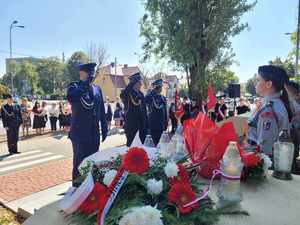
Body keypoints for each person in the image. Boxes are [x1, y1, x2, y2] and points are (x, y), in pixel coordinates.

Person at [67, 62, 107, 187]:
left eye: (92, 73)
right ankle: (76, 189)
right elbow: (71, 97)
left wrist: (104, 126)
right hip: (79, 133)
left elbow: (100, 109)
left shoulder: (97, 89)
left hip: (94, 133)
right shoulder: (74, 86)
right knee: (79, 163)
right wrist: (84, 85)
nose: (91, 75)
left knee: (93, 161)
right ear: (81, 73)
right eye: (88, 73)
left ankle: (90, 187)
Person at [247, 65, 292, 157]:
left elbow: (265, 148)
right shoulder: (273, 103)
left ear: (268, 84)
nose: (256, 83)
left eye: (258, 80)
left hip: (263, 164)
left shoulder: (269, 109)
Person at [120, 72, 147, 146]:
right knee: (131, 147)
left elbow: (144, 111)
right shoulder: (128, 93)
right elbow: (123, 95)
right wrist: (131, 83)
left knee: (142, 147)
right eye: (139, 82)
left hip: (142, 126)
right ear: (134, 83)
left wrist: (146, 125)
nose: (141, 84)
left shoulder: (141, 94)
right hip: (132, 127)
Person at [145, 79, 168, 146]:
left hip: (161, 125)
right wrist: (153, 91)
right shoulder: (150, 97)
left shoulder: (163, 98)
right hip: (153, 126)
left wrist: (166, 122)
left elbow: (165, 112)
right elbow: (145, 99)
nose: (161, 88)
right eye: (159, 87)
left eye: (161, 86)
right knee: (153, 144)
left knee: (161, 145)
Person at [285, 80, 300, 173]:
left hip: (295, 131)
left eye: (286, 89)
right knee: (292, 154)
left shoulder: (293, 101)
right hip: (294, 130)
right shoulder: (290, 101)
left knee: (292, 154)